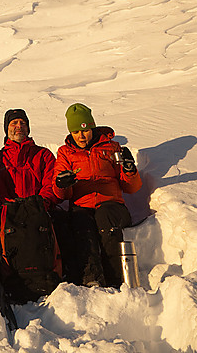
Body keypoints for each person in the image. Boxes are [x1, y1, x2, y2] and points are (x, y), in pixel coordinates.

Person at [52, 103, 142, 287]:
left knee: (105, 219)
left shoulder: (113, 148)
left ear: (92, 128)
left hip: (112, 205)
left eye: (85, 130)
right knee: (81, 226)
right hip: (82, 207)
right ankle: (91, 279)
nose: (81, 136)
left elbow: (131, 188)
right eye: (77, 132)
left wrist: (130, 171)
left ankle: (116, 280)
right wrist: (62, 184)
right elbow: (61, 193)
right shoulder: (65, 153)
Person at [0, 109, 58, 208]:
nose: (19, 126)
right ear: (6, 129)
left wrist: (41, 203)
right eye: (14, 123)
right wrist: (8, 205)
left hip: (39, 211)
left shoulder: (44, 155)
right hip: (8, 214)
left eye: (23, 123)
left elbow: (50, 184)